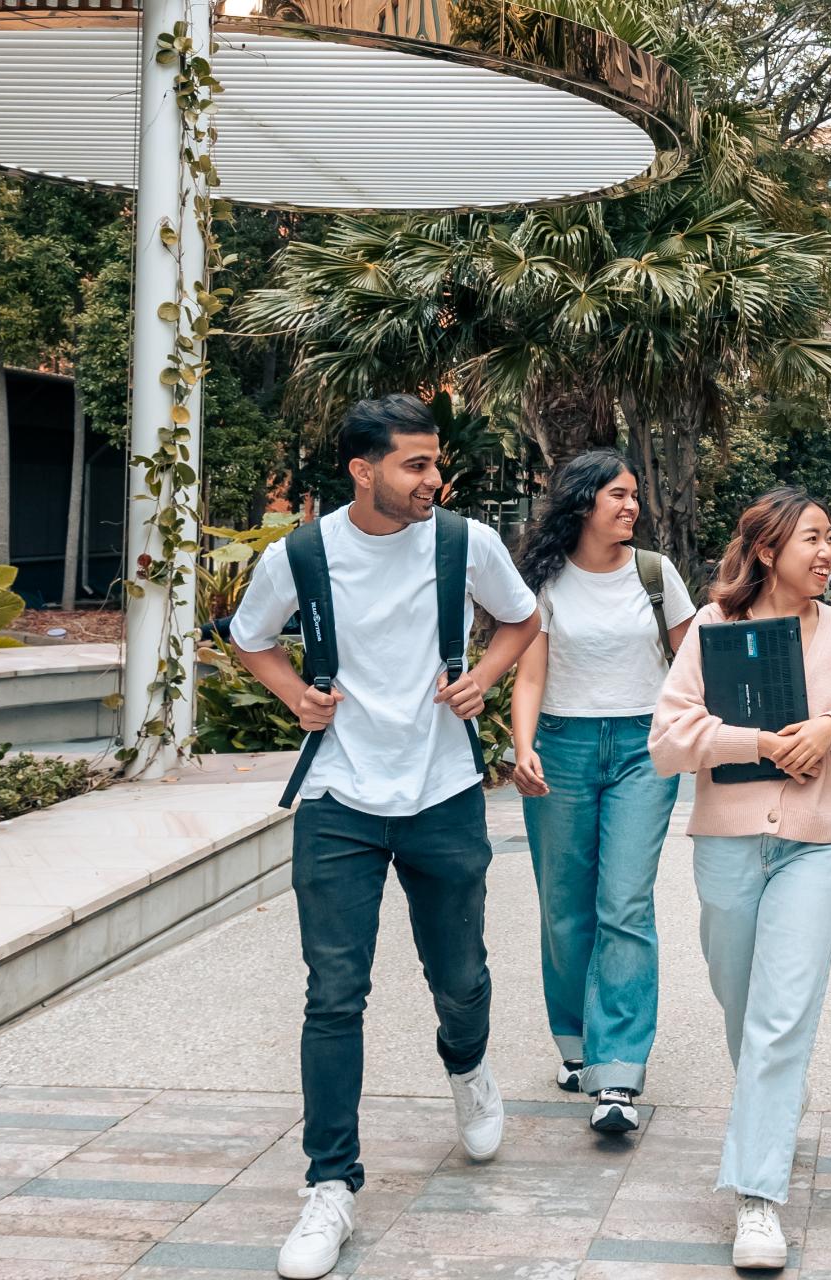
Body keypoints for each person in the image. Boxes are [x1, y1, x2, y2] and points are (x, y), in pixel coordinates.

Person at [228, 394, 540, 1280]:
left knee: (461, 976)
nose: (433, 480)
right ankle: (330, 1185)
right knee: (333, 992)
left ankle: (468, 1064)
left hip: (441, 791)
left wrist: (480, 676)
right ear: (363, 471)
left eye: (436, 463)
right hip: (338, 796)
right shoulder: (302, 554)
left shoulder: (463, 544)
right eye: (415, 465)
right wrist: (298, 698)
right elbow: (252, 640)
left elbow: (522, 619)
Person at [649, 487, 831, 1271]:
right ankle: (771, 1105)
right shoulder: (714, 631)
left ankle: (758, 1195)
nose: (829, 554)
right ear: (766, 550)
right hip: (726, 841)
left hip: (817, 845)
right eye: (814, 540)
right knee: (742, 1002)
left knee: (782, 1014)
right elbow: (668, 739)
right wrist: (754, 739)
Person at [511, 450, 695, 1135]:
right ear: (583, 502)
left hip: (643, 751)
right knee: (564, 904)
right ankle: (575, 1039)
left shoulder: (655, 574)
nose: (631, 506)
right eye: (618, 494)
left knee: (624, 901)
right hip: (561, 744)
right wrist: (522, 746)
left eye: (634, 495)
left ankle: (617, 1072)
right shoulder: (544, 581)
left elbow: (693, 661)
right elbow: (529, 676)